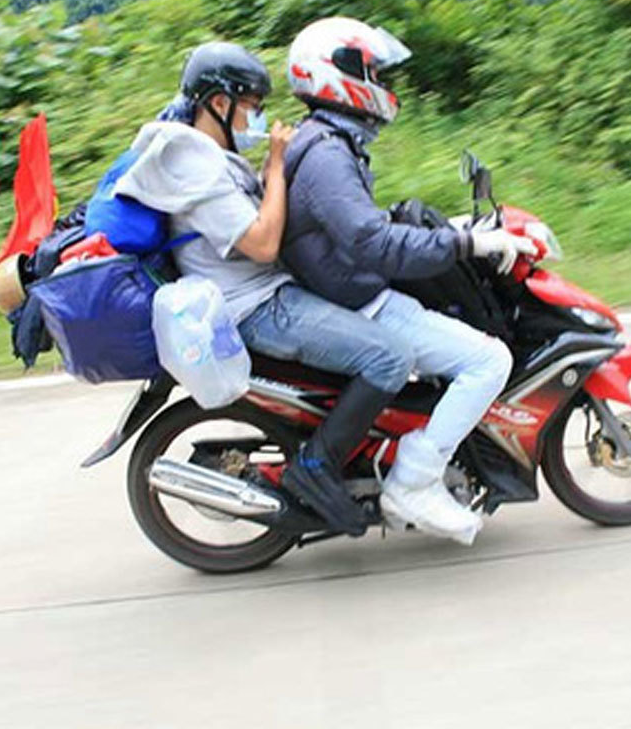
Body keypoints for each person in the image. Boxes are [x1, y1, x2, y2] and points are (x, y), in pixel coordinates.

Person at [109, 41, 414, 537]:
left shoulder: (211, 155)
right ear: (220, 104)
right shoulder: (196, 166)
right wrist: (274, 164)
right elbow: (264, 242)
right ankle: (315, 469)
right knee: (390, 358)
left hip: (266, 293)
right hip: (258, 307)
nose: (258, 117)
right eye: (251, 106)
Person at [280, 17, 539, 545]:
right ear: (338, 76)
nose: (383, 85)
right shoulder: (327, 154)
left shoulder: (329, 142)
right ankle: (414, 481)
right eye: (373, 72)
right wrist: (466, 245)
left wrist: (455, 229)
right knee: (489, 361)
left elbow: (362, 226)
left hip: (348, 287)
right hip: (358, 299)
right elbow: (371, 243)